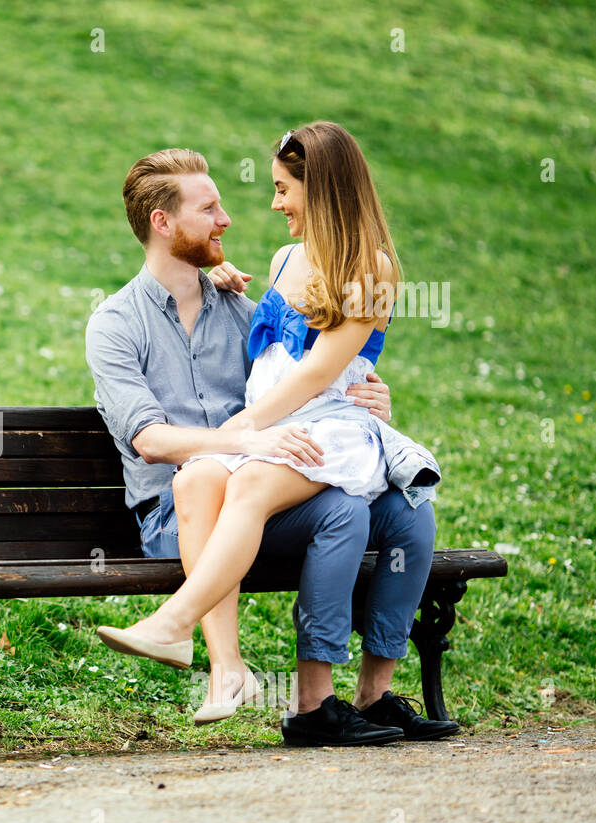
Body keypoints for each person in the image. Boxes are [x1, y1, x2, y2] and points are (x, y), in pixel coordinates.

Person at [85, 136, 456, 745]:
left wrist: (367, 394)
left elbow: (312, 364)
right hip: (183, 503)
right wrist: (244, 439)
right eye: (210, 211)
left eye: (281, 189)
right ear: (163, 221)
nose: (231, 219)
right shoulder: (117, 322)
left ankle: (358, 696)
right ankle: (237, 669)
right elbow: (151, 441)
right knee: (210, 476)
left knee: (408, 511)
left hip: (252, 475)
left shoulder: (237, 304)